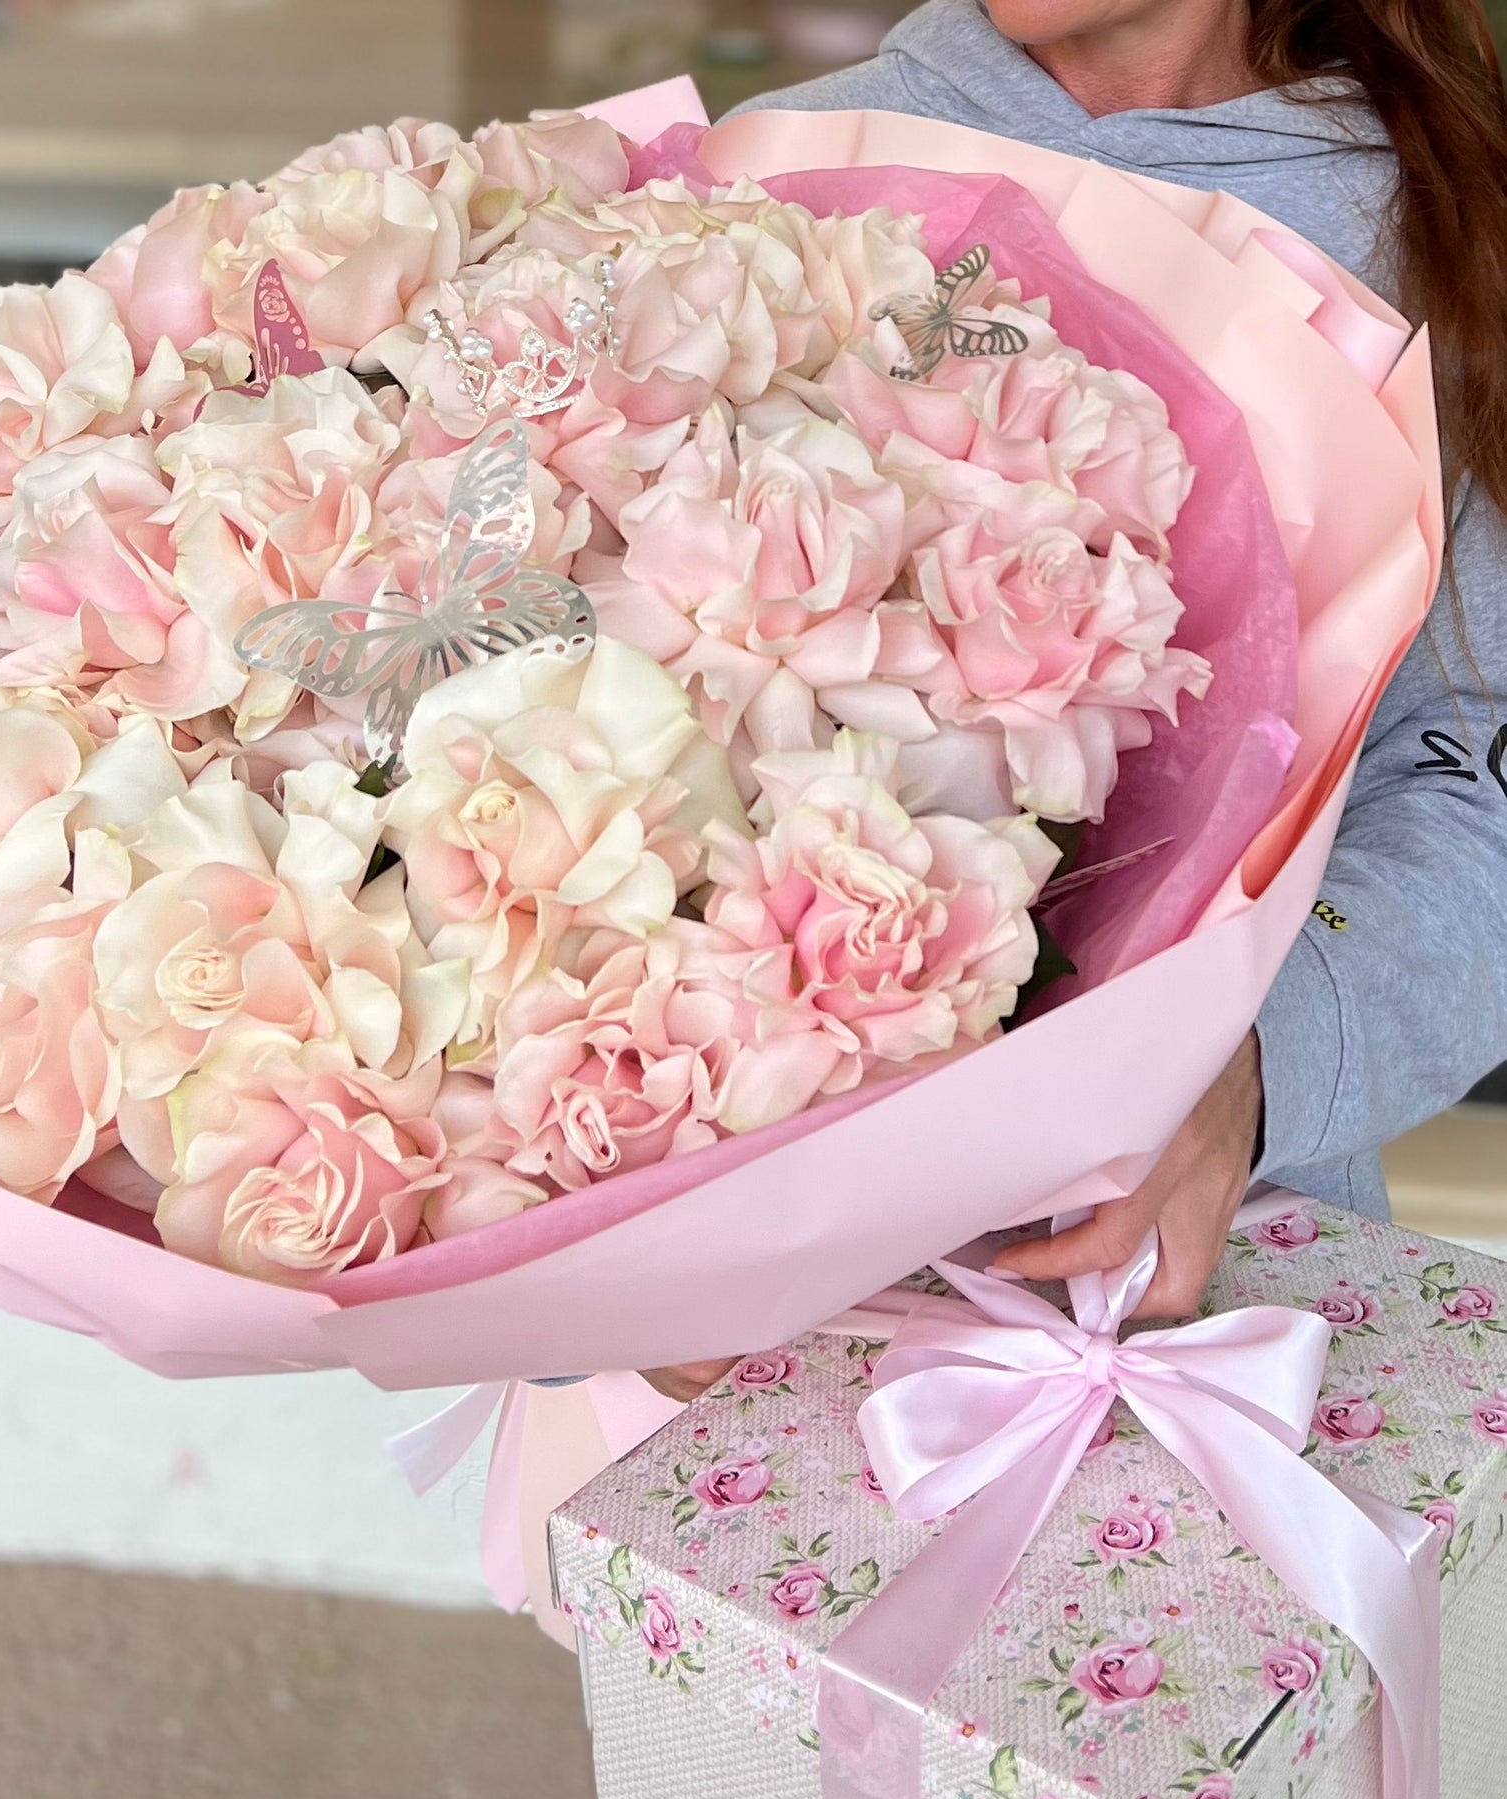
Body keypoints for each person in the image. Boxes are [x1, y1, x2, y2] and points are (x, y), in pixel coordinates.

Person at [645, 0, 1507, 1400]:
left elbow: (1473, 783)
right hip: (730, 1314)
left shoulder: (1446, 230)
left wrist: (1249, 1063)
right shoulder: (762, 172)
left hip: (1196, 1306)